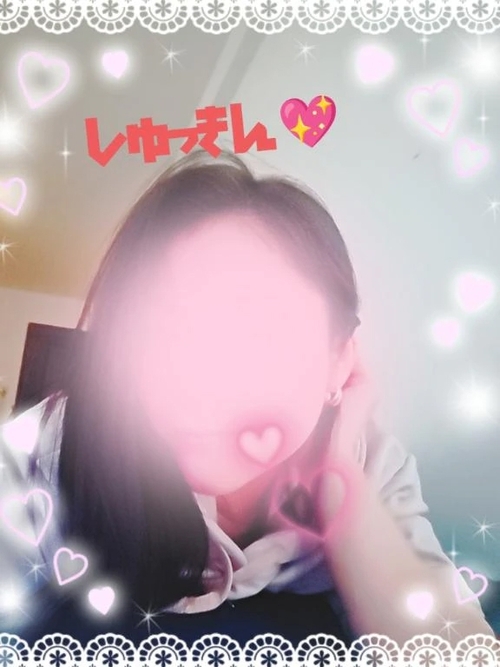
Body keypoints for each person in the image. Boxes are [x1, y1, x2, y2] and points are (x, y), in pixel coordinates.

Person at [0, 150, 494, 647]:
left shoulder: (373, 463)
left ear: (339, 360)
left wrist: (339, 480)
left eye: (259, 332)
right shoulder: (52, 446)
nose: (194, 377)